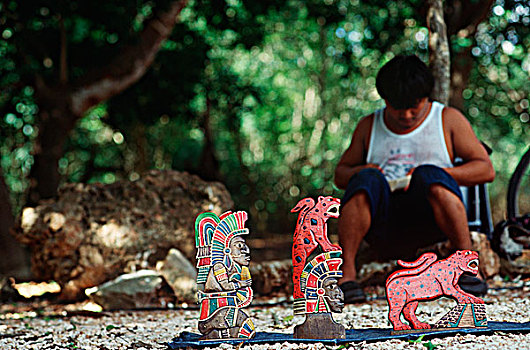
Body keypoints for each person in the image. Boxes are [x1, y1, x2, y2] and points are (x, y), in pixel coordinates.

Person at [334, 55, 495, 303]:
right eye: (399, 108)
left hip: (433, 223)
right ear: (385, 100)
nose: (407, 115)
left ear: (426, 97)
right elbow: (341, 175)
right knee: (366, 178)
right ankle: (347, 275)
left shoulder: (448, 120)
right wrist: (365, 170)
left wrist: (439, 173)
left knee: (429, 174)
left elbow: (485, 170)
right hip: (384, 226)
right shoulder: (369, 125)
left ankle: (466, 266)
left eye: (415, 107)